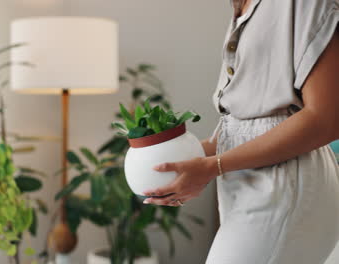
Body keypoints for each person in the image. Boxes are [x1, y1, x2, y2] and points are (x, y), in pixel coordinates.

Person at [142, 0, 339, 263]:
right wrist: (183, 159)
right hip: (250, 187)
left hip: (285, 189)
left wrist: (213, 166)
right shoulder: (241, 7)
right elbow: (246, 126)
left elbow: (326, 118)